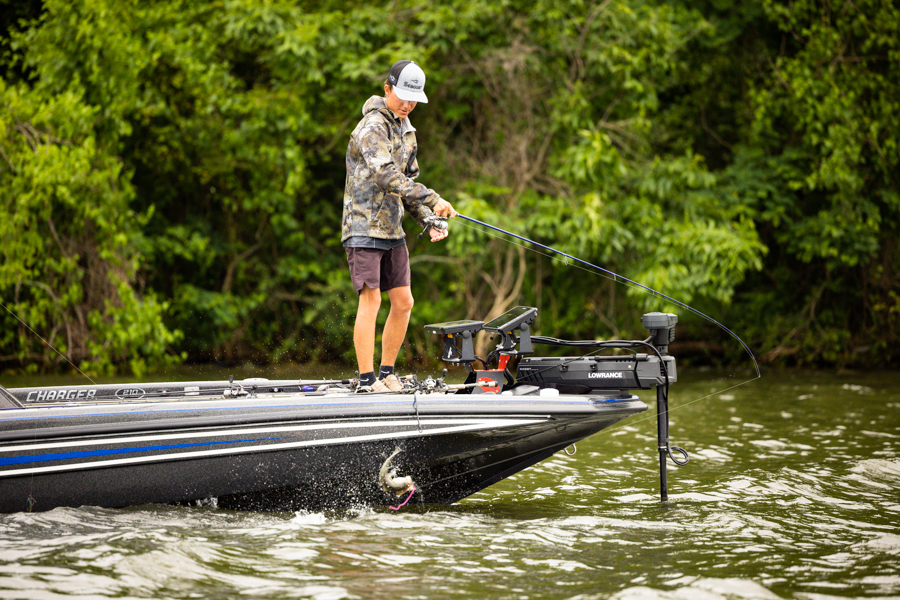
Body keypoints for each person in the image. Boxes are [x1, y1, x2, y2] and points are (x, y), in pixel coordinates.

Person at [342, 60, 457, 392]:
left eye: (414, 99)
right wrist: (434, 198)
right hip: (363, 227)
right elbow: (387, 176)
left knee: (404, 302)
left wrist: (428, 218)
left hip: (393, 229)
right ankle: (367, 380)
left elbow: (407, 184)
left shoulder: (407, 131)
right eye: (403, 96)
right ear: (387, 89)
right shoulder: (372, 126)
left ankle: (387, 373)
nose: (408, 104)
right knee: (372, 301)